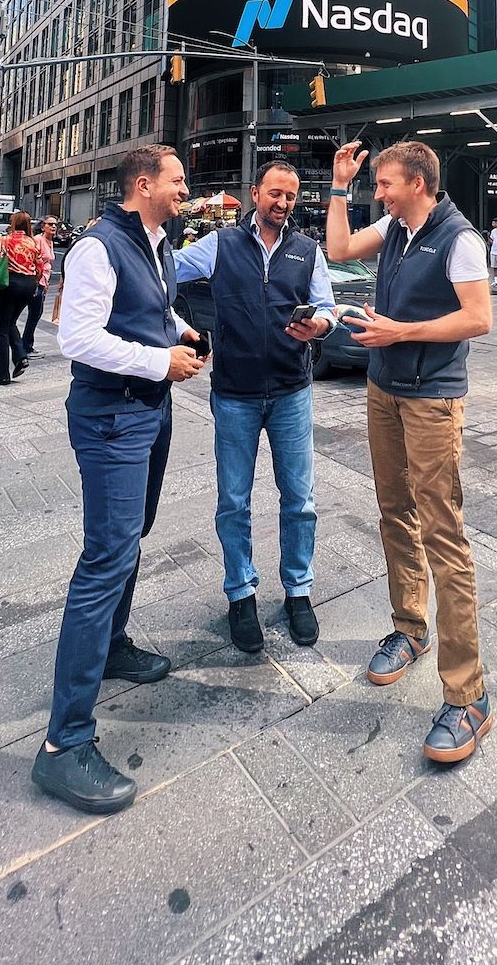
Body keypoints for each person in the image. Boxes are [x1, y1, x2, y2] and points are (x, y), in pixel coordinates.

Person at [32, 145, 207, 816]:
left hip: (148, 411)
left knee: (132, 535)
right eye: (178, 179)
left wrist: (183, 334)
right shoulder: (98, 248)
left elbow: (152, 316)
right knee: (106, 556)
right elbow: (74, 339)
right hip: (112, 417)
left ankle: (111, 646)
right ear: (144, 184)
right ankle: (62, 746)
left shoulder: (159, 243)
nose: (186, 189)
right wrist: (158, 361)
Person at [326, 140, 494, 765]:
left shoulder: (459, 238)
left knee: (442, 532)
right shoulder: (396, 228)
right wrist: (339, 185)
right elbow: (339, 249)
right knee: (392, 512)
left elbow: (479, 319)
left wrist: (403, 332)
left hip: (431, 401)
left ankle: (469, 695)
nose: (380, 193)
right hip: (383, 391)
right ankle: (409, 629)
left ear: (419, 182)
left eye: (387, 184)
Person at [173, 162, 335, 654]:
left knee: (300, 500)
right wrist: (177, 326)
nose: (282, 203)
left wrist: (320, 327)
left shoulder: (308, 252)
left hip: (291, 390)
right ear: (254, 193)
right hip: (235, 393)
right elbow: (162, 274)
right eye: (274, 193)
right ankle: (240, 592)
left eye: (290, 195)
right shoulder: (221, 245)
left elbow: (326, 308)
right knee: (234, 501)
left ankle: (298, 591)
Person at [0, 211, 40, 386]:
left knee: (1, 329)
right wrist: (36, 284)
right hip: (29, 284)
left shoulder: (5, 240)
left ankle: (3, 375)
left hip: (10, 283)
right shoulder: (33, 242)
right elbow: (39, 265)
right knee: (11, 322)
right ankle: (20, 357)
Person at [20, 216, 58, 357]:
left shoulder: (50, 241)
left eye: (55, 225)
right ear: (43, 226)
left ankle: (27, 344)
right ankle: (26, 346)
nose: (53, 227)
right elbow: (34, 260)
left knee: (36, 313)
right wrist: (37, 282)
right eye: (50, 224)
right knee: (35, 313)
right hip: (37, 281)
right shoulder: (38, 240)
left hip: (44, 281)